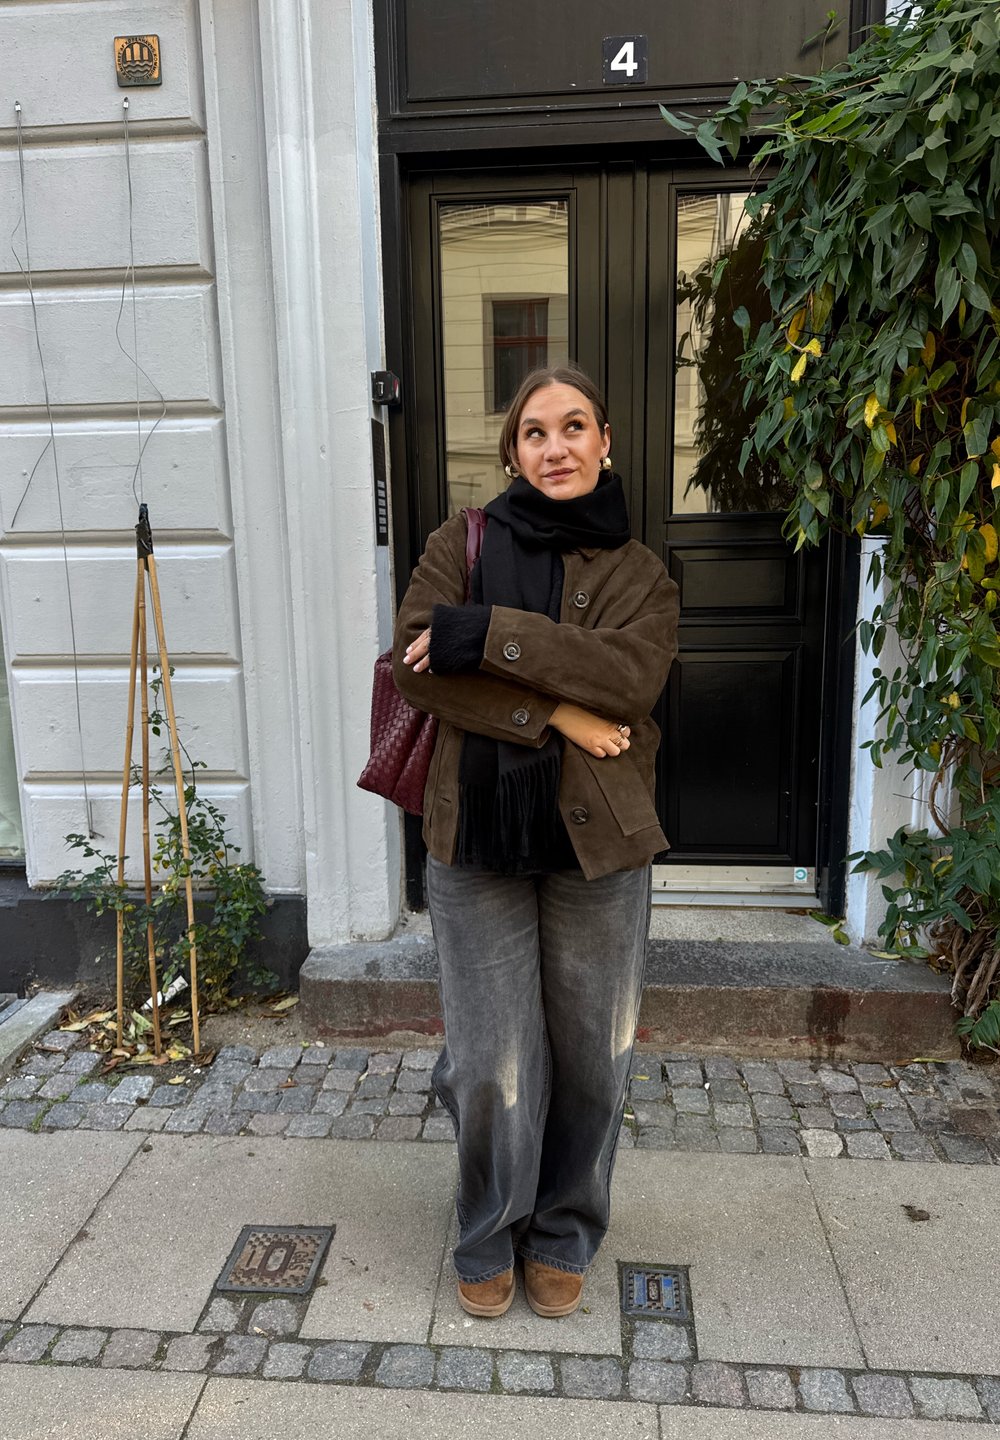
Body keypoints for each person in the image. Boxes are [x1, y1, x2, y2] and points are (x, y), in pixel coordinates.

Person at [392, 365, 679, 1319]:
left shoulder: (642, 573)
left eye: (574, 427)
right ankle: (488, 1227)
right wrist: (556, 710)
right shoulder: (459, 542)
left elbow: (627, 679)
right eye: (534, 433)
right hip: (474, 839)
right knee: (489, 1060)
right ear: (513, 453)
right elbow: (418, 667)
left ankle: (563, 1228)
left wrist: (486, 634)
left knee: (595, 1054)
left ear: (605, 441)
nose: (555, 448)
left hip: (599, 847)